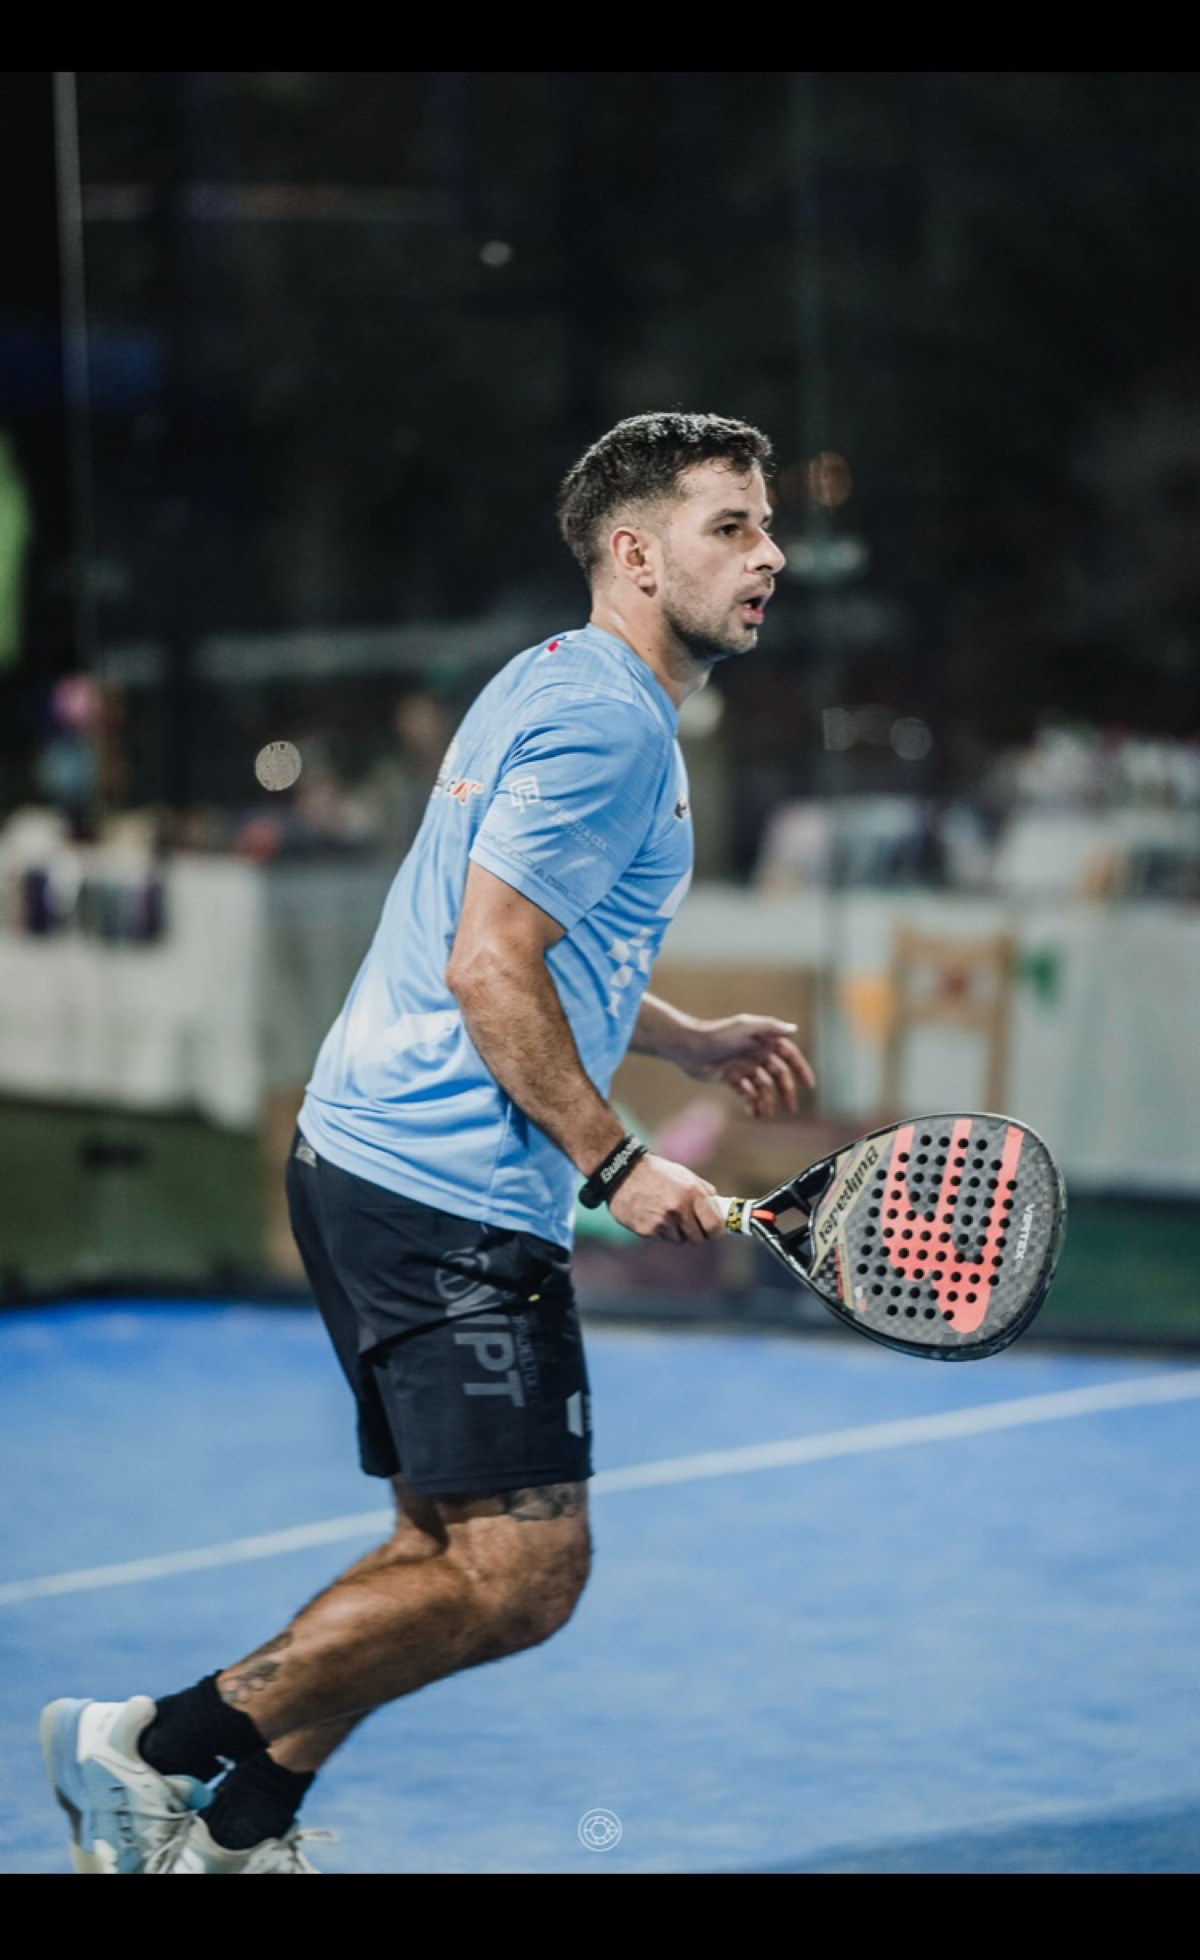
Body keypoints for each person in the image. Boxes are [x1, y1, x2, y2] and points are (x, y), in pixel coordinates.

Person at [40, 410, 815, 1875]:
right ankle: (150, 1745)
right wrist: (618, 1162)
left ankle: (237, 1831)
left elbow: (531, 932)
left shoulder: (556, 677)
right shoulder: (609, 726)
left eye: (766, 526)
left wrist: (681, 1037)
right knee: (523, 1575)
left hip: (367, 1159)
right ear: (638, 553)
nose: (771, 555)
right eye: (734, 526)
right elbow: (487, 965)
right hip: (446, 1195)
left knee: (442, 1554)